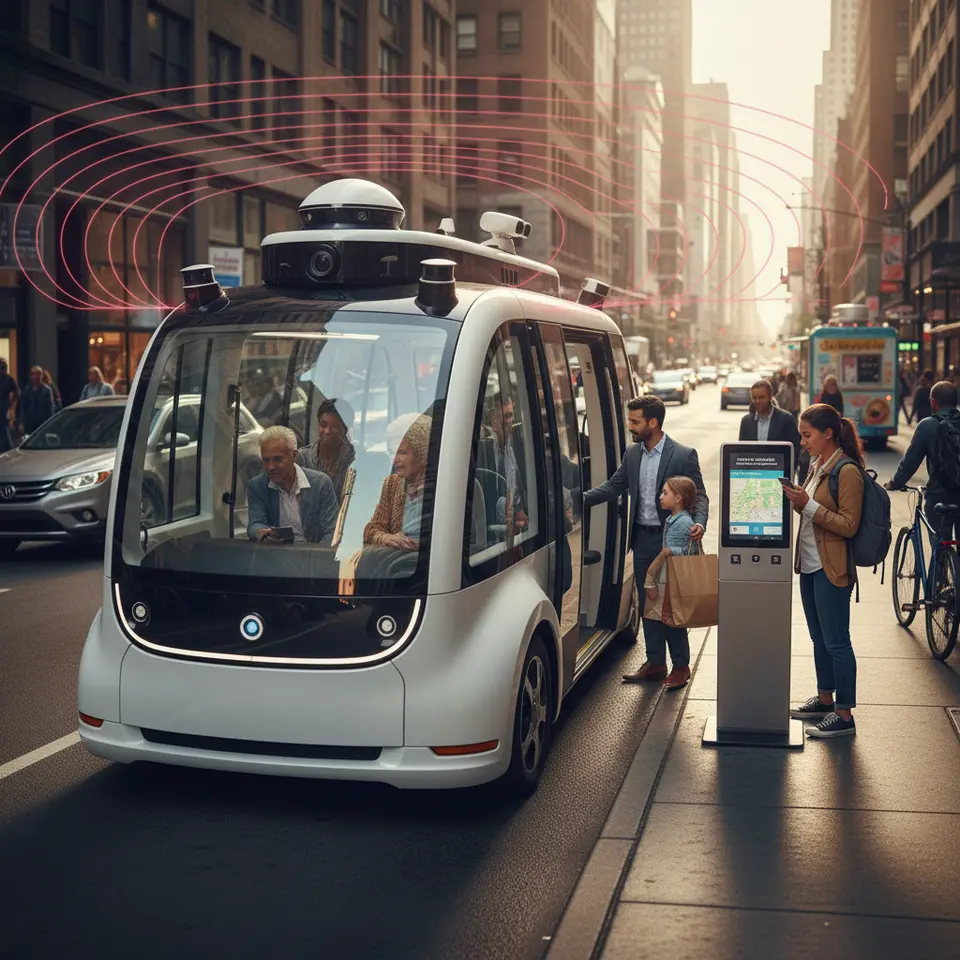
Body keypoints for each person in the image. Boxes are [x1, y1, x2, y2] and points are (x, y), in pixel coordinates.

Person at [583, 395, 708, 691]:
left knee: (672, 605)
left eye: (634, 421)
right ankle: (655, 662)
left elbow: (699, 495)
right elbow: (615, 486)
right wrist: (579, 500)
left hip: (673, 543)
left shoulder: (683, 454)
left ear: (653, 422)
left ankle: (680, 665)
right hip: (642, 539)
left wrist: (700, 522)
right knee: (649, 601)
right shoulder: (633, 453)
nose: (630, 426)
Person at [783, 404, 864, 739]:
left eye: (807, 435)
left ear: (827, 433)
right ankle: (824, 698)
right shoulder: (817, 465)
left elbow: (849, 525)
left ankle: (844, 715)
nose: (803, 442)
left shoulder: (847, 472)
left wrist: (808, 505)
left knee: (836, 641)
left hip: (831, 569)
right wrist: (796, 498)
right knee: (819, 638)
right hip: (810, 566)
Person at [885, 380, 960, 544]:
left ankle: (941, 560)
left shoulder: (927, 426)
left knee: (939, 542)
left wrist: (895, 483)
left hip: (939, 496)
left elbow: (910, 462)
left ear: (933, 403)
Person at [246, 426, 338, 545]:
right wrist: (262, 533)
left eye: (277, 459)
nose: (271, 467)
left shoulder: (320, 483)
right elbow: (255, 523)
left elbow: (331, 532)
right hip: (277, 556)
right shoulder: (257, 486)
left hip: (314, 555)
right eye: (266, 460)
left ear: (294, 455)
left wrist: (316, 557)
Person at [364, 414, 433, 550]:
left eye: (401, 452)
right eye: (391, 452)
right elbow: (370, 530)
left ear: (422, 452)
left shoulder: (444, 486)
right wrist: (386, 538)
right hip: (395, 564)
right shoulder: (391, 484)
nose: (394, 460)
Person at [641, 475, 698, 619]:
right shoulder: (671, 519)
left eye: (665, 493)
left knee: (672, 624)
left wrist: (669, 551)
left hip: (675, 583)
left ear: (678, 498)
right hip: (668, 580)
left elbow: (691, 553)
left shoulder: (684, 523)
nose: (660, 497)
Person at [738, 379, 802, 478]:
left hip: (779, 476)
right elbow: (741, 452)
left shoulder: (786, 419)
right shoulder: (746, 421)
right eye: (754, 398)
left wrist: (790, 474)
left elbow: (795, 450)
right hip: (753, 476)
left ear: (771, 397)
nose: (757, 401)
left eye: (762, 397)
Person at [296, 398, 357, 500]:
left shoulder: (354, 460)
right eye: (323, 425)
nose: (327, 431)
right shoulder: (301, 458)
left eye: (335, 427)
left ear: (345, 428)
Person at [16, 366, 55, 438]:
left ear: (42, 375)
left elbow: (50, 408)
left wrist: (50, 424)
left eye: (38, 374)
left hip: (42, 423)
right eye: (33, 374)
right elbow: (23, 408)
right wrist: (21, 423)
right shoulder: (26, 390)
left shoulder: (47, 390)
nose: (35, 376)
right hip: (29, 423)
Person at [0, 358, 19, 453]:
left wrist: (11, 406)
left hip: (3, 409)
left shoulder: (8, 379)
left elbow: (17, 392)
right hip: (3, 408)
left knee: (4, 433)